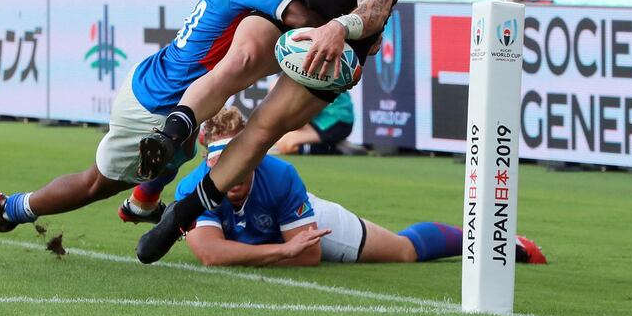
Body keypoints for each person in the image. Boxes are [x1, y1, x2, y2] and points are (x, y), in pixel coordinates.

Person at [136, 0, 407, 264]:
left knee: (262, 130)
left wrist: (340, 27)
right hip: (294, 12)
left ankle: (182, 215)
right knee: (238, 60)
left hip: (332, 52)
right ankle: (170, 135)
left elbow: (373, 8)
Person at [0, 0, 326, 232]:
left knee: (181, 147)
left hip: (160, 83)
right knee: (96, 184)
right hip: (155, 105)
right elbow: (305, 18)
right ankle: (11, 208)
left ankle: (142, 203)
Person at [168, 107, 547, 266]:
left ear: (254, 152)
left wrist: (281, 250)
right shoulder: (194, 187)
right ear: (206, 160)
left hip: (306, 221)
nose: (230, 175)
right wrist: (278, 252)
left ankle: (495, 242)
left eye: (240, 161)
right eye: (221, 165)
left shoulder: (280, 175)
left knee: (404, 251)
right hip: (274, 240)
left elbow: (307, 255)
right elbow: (210, 254)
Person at [271, 91, 354, 155]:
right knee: (280, 138)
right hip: (321, 117)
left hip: (335, 120)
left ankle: (334, 149)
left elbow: (299, 116)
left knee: (286, 144)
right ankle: (332, 143)